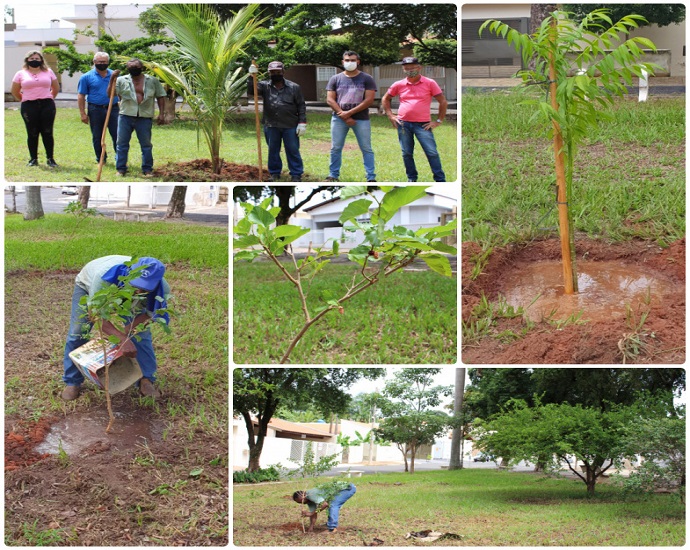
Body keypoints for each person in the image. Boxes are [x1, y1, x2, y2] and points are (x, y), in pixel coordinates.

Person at [61, 255, 170, 401]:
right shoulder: (104, 278)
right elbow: (96, 315)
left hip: (126, 294)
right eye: (136, 285)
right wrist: (121, 338)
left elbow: (148, 315)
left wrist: (127, 333)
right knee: (78, 332)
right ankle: (72, 382)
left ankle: (146, 380)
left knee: (141, 335)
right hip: (89, 285)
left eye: (144, 288)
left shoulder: (161, 289)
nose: (138, 291)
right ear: (130, 272)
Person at [382, 57, 448, 182]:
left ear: (419, 67)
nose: (410, 70)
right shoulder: (399, 84)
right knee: (406, 153)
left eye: (412, 67)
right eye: (407, 68)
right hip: (403, 124)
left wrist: (438, 121)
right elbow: (385, 98)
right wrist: (390, 115)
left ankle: (440, 180)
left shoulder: (429, 83)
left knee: (431, 152)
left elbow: (443, 101)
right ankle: (412, 178)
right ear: (403, 69)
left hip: (423, 124)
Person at [248, 61, 307, 182]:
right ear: (269, 73)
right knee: (273, 150)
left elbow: (301, 105)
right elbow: (251, 91)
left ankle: (296, 174)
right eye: (273, 72)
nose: (275, 74)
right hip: (271, 124)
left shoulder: (294, 87)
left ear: (283, 72)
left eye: (278, 72)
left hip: (290, 124)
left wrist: (302, 122)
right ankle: (274, 173)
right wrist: (251, 77)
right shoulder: (264, 86)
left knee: (292, 149)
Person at [325, 51, 377, 182]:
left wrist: (349, 113)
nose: (350, 62)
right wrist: (344, 115)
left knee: (366, 148)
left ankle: (371, 177)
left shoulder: (367, 78)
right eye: (347, 60)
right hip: (338, 119)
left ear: (358, 62)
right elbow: (330, 100)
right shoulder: (335, 79)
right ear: (342, 62)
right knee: (335, 147)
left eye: (353, 60)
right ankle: (333, 175)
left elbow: (369, 100)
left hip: (361, 119)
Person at [115, 58, 168, 177]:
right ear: (128, 69)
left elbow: (160, 96)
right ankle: (121, 169)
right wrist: (111, 80)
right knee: (122, 144)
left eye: (136, 68)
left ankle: (147, 169)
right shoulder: (121, 80)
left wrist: (161, 113)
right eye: (131, 68)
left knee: (146, 145)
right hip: (126, 116)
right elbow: (111, 94)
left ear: (142, 68)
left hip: (144, 117)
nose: (133, 70)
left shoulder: (152, 81)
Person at [10, 49, 60, 168]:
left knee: (47, 132)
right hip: (29, 106)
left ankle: (50, 159)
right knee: (32, 132)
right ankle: (33, 159)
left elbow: (56, 88)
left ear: (41, 60)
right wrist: (25, 99)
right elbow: (14, 91)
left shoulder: (48, 71)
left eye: (37, 59)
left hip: (47, 105)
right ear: (27, 60)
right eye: (32, 59)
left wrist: (48, 98)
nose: (34, 61)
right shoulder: (20, 74)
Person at [77, 52, 119, 164]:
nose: (102, 64)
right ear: (94, 62)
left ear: (108, 62)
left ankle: (119, 159)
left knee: (117, 135)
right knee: (97, 135)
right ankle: (101, 158)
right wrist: (83, 113)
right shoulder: (86, 77)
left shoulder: (114, 75)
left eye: (104, 62)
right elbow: (81, 95)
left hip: (113, 108)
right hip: (95, 109)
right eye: (100, 62)